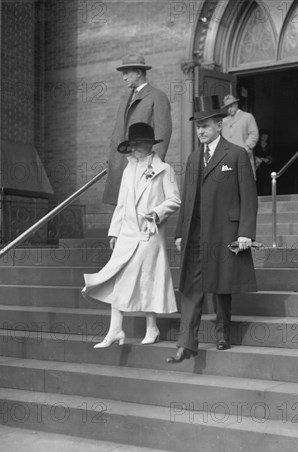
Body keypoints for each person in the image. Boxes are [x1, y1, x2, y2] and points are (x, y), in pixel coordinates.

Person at [166, 96, 258, 364]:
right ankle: (186, 343)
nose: (201, 131)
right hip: (196, 232)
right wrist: (180, 233)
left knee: (221, 284)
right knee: (192, 287)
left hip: (224, 229)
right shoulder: (193, 158)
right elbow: (187, 199)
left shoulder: (237, 154)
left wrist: (245, 233)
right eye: (198, 127)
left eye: (206, 125)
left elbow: (249, 198)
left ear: (219, 125)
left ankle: (222, 334)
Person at [83, 123, 181, 348]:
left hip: (149, 234)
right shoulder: (128, 169)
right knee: (118, 279)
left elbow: (175, 199)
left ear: (149, 145)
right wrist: (114, 231)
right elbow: (122, 203)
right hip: (126, 233)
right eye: (132, 144)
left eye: (138, 144)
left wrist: (156, 212)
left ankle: (151, 327)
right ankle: (115, 329)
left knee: (147, 280)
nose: (134, 148)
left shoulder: (164, 169)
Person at [103, 54, 172, 205]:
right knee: (123, 213)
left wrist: (154, 165)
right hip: (123, 166)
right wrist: (112, 160)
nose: (124, 78)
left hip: (144, 166)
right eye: (123, 74)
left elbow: (163, 133)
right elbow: (117, 132)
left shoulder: (157, 96)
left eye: (127, 73)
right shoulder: (124, 100)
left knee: (141, 212)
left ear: (139, 73)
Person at [221, 94, 259, 178]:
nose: (229, 109)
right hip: (228, 157)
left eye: (231, 106)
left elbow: (254, 134)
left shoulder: (247, 117)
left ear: (236, 104)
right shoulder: (224, 121)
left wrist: (247, 147)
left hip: (243, 154)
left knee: (244, 181)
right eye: (227, 107)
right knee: (229, 182)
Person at [253, 129, 273, 195]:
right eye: (263, 136)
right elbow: (255, 154)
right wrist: (261, 158)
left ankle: (269, 195)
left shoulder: (269, 146)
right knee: (259, 183)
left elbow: (272, 155)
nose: (264, 137)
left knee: (268, 182)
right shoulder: (256, 146)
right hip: (259, 167)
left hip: (267, 167)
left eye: (266, 136)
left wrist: (268, 159)